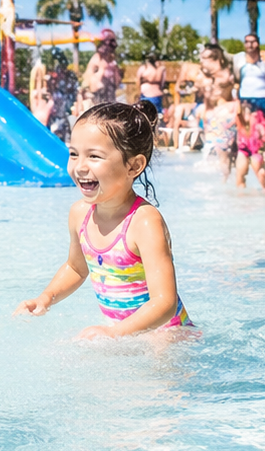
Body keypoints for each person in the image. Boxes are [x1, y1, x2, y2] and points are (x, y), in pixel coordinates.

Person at [14, 101, 191, 338]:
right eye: (74, 154)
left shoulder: (144, 223)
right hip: (119, 333)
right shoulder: (80, 214)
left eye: (94, 156)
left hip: (167, 336)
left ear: (134, 166)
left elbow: (164, 303)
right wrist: (45, 298)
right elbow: (76, 268)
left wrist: (114, 333)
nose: (79, 167)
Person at [232, 33, 265, 116]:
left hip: (264, 97)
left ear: (258, 43)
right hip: (245, 97)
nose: (250, 45)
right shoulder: (239, 59)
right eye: (247, 42)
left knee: (263, 124)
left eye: (252, 42)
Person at [200, 81, 239, 178]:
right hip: (227, 138)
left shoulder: (218, 109)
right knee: (228, 161)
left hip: (218, 138)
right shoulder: (233, 105)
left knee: (224, 161)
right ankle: (226, 179)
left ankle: (225, 179)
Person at [233, 98, 265, 192]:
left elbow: (264, 133)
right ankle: (241, 196)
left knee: (260, 173)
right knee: (240, 174)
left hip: (256, 149)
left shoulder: (257, 117)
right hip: (243, 148)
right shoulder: (238, 117)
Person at [80, 29, 123, 109]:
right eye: (107, 42)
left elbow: (117, 81)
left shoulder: (112, 62)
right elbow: (87, 77)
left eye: (112, 42)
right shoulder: (97, 58)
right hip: (98, 95)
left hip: (109, 96)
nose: (109, 46)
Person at [29, 58, 52, 125]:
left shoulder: (44, 90)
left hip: (43, 115)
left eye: (39, 75)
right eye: (37, 75)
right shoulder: (34, 92)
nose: (38, 77)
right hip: (38, 115)